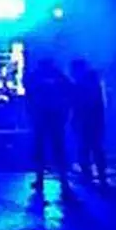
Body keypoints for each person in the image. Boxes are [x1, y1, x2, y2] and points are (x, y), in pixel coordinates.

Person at [26, 57, 73, 197]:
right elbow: (69, 93)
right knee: (57, 148)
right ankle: (63, 181)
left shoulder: (35, 76)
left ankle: (42, 179)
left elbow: (29, 95)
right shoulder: (58, 75)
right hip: (53, 117)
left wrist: (32, 112)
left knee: (42, 149)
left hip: (44, 117)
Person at [70, 59, 107, 185]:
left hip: (87, 122)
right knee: (95, 148)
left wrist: (75, 119)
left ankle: (88, 176)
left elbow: (81, 105)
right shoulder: (94, 82)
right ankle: (100, 176)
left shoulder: (82, 85)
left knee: (85, 148)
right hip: (95, 121)